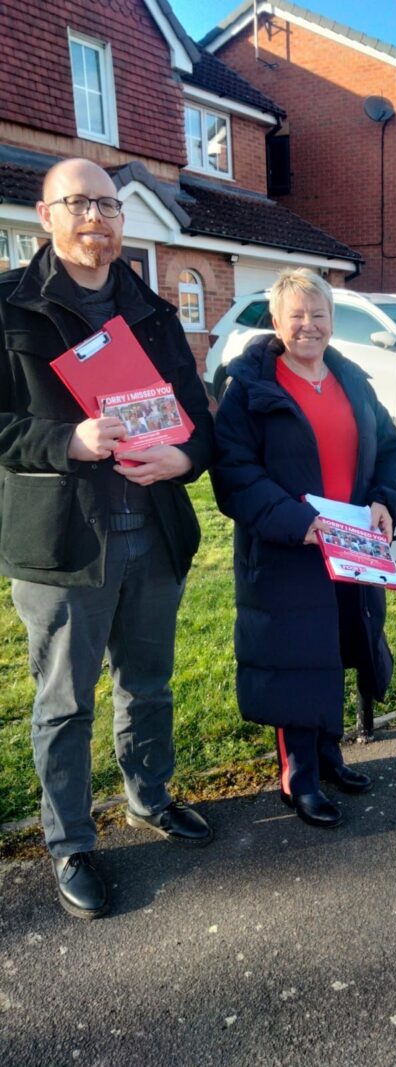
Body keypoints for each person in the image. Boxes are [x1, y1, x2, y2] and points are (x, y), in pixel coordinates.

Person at [0, 159, 215, 919]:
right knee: (64, 703)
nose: (97, 216)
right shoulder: (10, 309)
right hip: (63, 547)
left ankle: (148, 796)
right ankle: (69, 842)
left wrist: (184, 455)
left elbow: (200, 417)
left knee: (148, 685)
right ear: (44, 215)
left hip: (152, 535)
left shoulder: (151, 310)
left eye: (109, 204)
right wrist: (70, 441)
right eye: (79, 203)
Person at [212, 268, 396, 829]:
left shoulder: (352, 381)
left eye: (318, 315)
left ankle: (329, 756)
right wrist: (298, 522)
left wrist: (385, 501)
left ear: (332, 321)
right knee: (295, 657)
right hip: (288, 549)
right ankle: (297, 777)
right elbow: (233, 473)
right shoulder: (250, 389)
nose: (308, 326)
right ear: (276, 321)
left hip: (350, 547)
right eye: (296, 315)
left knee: (336, 648)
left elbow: (391, 448)